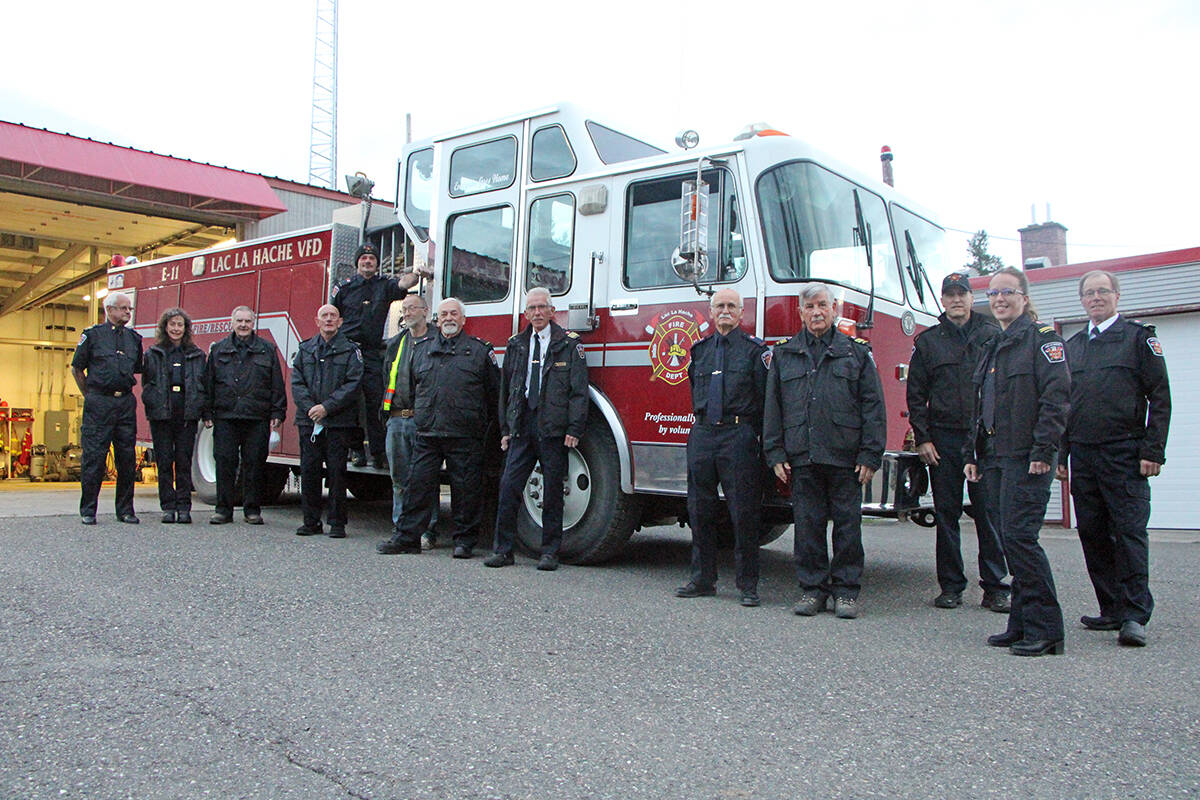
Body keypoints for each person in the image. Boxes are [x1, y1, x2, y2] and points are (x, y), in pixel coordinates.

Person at [1057, 270, 1170, 648]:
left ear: (1117, 296)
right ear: (1082, 300)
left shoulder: (1138, 339)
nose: (1096, 298)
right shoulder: (1073, 345)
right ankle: (1111, 608)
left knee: (1129, 533)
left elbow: (1160, 397)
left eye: (1102, 291)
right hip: (1084, 455)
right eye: (1089, 293)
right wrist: (1061, 454)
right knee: (1092, 533)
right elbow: (1064, 405)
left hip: (1125, 453)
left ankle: (1134, 615)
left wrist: (1153, 450)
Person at [964, 267, 1070, 657]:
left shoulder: (1043, 341)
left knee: (1022, 539)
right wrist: (973, 454)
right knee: (1010, 539)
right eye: (993, 294)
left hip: (1028, 458)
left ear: (1024, 297)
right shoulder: (995, 344)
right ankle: (1021, 624)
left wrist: (1044, 451)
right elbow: (981, 406)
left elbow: (1056, 399)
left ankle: (1047, 630)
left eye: (1007, 292)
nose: (999, 299)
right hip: (996, 455)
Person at [763, 284, 885, 619]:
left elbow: (873, 407)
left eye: (822, 305)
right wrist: (775, 453)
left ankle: (846, 592)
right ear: (800, 312)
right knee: (808, 527)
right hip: (802, 456)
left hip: (846, 458)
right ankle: (812, 590)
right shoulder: (785, 354)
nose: (816, 312)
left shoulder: (856, 353)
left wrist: (870, 454)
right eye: (810, 307)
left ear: (834, 309)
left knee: (848, 528)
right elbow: (773, 408)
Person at [907, 272, 1009, 612]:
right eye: (950, 295)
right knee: (946, 514)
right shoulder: (928, 341)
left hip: (984, 440)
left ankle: (996, 587)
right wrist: (923, 439)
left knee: (988, 514)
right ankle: (950, 587)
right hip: (944, 439)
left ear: (970, 297)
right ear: (943, 300)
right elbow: (916, 394)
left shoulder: (991, 335)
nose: (956, 300)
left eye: (961, 294)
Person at [377, 297, 499, 558]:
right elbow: (412, 388)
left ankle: (464, 542)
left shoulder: (479, 351)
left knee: (465, 491)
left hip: (464, 434)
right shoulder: (422, 349)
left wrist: (481, 427)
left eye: (454, 314)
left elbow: (494, 394)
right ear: (437, 319)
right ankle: (407, 538)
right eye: (444, 314)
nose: (448, 318)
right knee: (416, 488)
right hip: (428, 433)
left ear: (463, 319)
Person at [673, 288, 769, 605]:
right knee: (699, 511)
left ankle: (748, 585)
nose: (725, 311)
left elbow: (765, 401)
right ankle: (702, 579)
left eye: (731, 306)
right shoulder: (699, 351)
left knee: (743, 512)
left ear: (741, 312)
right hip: (702, 433)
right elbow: (693, 389)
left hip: (737, 435)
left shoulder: (755, 352)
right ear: (711, 312)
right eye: (719, 306)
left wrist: (756, 438)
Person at [484, 288, 589, 571]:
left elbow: (579, 391)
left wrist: (574, 428)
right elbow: (506, 390)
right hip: (522, 426)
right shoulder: (516, 344)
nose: (537, 312)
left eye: (542, 307)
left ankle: (550, 552)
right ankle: (503, 551)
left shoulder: (568, 344)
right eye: (532, 308)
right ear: (526, 313)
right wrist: (506, 429)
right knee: (508, 487)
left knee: (552, 492)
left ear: (552, 311)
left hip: (553, 428)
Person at [331, 243, 425, 468]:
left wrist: (418, 273)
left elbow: (403, 283)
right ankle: (356, 450)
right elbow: (333, 316)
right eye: (363, 258)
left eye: (372, 258)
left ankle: (378, 452)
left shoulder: (384, 286)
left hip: (371, 353)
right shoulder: (343, 288)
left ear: (376, 263)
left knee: (376, 402)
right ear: (357, 263)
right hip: (347, 352)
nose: (368, 262)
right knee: (349, 403)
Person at [203, 306, 287, 525]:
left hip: (256, 417)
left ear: (253, 323)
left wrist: (278, 411)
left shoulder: (267, 349)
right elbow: (208, 383)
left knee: (255, 464)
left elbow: (276, 382)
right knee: (224, 463)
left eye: (247, 321)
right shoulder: (219, 349)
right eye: (239, 321)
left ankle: (252, 510)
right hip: (226, 416)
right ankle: (223, 510)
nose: (243, 325)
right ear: (232, 323)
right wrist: (206, 411)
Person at [291, 304, 364, 538]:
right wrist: (311, 409)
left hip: (338, 422)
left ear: (340, 322)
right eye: (325, 316)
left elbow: (353, 384)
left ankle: (337, 523)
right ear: (317, 321)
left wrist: (327, 407)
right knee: (309, 471)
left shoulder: (351, 350)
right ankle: (310, 522)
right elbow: (297, 382)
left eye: (333, 316)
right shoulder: (305, 349)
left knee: (337, 473)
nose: (329, 319)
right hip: (309, 421)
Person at [71, 291, 143, 525]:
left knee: (126, 459)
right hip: (99, 403)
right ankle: (88, 510)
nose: (128, 312)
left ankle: (125, 510)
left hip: (124, 403)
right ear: (109, 310)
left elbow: (137, 368)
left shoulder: (134, 339)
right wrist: (90, 395)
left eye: (129, 309)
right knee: (94, 458)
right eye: (123, 308)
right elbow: (77, 368)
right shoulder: (93, 336)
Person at [381, 294, 440, 548]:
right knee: (399, 479)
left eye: (412, 308)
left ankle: (427, 530)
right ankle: (401, 528)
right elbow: (386, 378)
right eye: (404, 309)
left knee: (425, 479)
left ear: (425, 311)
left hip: (423, 420)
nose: (406, 313)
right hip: (396, 419)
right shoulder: (396, 343)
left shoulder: (437, 340)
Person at [141, 308, 207, 524]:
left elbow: (204, 385)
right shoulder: (153, 353)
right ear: (165, 327)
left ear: (186, 328)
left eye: (180, 325)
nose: (176, 329)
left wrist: (202, 410)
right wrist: (152, 404)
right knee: (164, 462)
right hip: (161, 416)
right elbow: (147, 384)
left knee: (184, 462)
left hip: (187, 416)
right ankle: (168, 507)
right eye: (172, 324)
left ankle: (184, 507)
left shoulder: (197, 355)